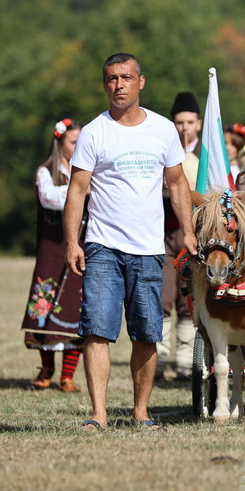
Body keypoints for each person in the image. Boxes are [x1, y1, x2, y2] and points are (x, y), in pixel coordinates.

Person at [64, 53, 197, 430]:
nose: (118, 85)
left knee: (146, 332)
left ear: (141, 82)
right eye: (110, 78)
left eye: (125, 77)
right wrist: (72, 242)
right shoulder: (94, 132)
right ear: (103, 84)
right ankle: (99, 415)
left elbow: (177, 183)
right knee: (96, 330)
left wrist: (187, 231)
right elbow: (77, 190)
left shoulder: (162, 129)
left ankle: (140, 412)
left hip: (148, 248)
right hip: (102, 246)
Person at [20, 119, 86, 392]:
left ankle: (67, 374)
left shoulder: (86, 170)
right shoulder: (45, 171)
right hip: (52, 247)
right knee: (44, 302)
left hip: (80, 245)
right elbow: (49, 197)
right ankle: (47, 367)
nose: (78, 147)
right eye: (73, 142)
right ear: (60, 142)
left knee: (76, 303)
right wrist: (80, 191)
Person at [158, 91, 202, 383]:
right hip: (163, 231)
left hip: (194, 234)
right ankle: (159, 360)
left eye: (189, 122)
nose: (184, 127)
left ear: (198, 123)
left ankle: (186, 361)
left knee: (189, 298)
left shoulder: (207, 153)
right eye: (179, 122)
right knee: (161, 297)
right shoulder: (163, 147)